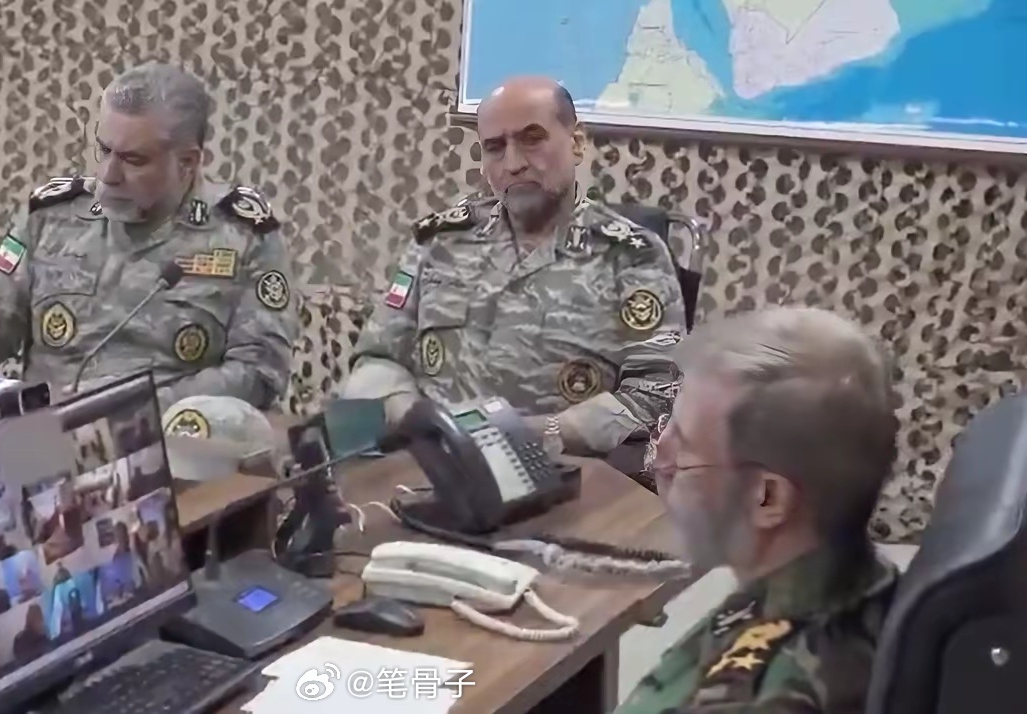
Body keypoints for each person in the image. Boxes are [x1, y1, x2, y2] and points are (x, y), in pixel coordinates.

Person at [0, 62, 299, 411]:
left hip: (173, 441)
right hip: (45, 438)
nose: (108, 175)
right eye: (104, 150)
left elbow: (258, 374)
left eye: (133, 160)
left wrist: (132, 405)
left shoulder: (243, 234)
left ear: (187, 162)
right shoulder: (52, 215)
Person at [341, 76, 684, 462]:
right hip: (433, 463)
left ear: (576, 143)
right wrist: (413, 419)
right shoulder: (440, 242)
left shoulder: (631, 255)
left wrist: (544, 434)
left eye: (532, 139)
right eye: (495, 147)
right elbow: (377, 358)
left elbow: (656, 395)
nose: (514, 164)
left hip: (564, 468)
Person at [616, 307, 900, 713]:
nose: (660, 456)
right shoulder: (870, 590)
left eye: (686, 447)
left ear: (767, 498)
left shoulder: (758, 698)